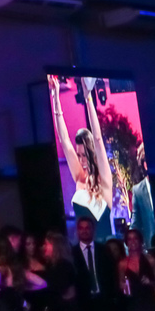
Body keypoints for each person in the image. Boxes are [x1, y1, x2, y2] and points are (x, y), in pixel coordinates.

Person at [50, 77, 114, 241]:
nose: (81, 159)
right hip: (82, 247)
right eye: (79, 155)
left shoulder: (104, 178)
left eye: (84, 155)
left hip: (105, 247)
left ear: (92, 153)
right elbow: (64, 141)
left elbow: (98, 139)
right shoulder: (79, 176)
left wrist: (88, 98)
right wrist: (55, 98)